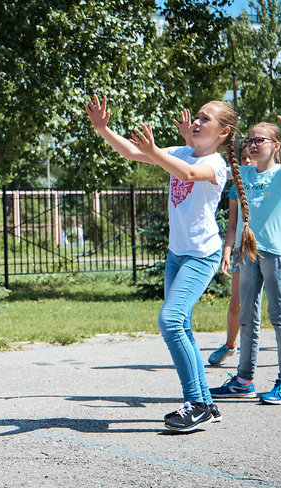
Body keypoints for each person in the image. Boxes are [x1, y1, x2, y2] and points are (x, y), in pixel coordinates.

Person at [86, 95, 233, 432]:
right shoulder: (182, 151)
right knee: (182, 327)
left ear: (223, 132)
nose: (196, 121)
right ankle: (206, 403)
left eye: (205, 119)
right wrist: (103, 129)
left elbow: (191, 173)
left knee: (170, 320)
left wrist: (155, 153)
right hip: (177, 253)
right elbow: (132, 152)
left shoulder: (216, 165)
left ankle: (195, 403)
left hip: (201, 253)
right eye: (196, 116)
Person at [210, 100, 281, 405]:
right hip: (248, 254)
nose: (253, 144)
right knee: (247, 316)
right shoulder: (243, 174)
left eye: (260, 140)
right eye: (250, 140)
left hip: (273, 254)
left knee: (280, 316)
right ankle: (244, 380)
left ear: (275, 145)